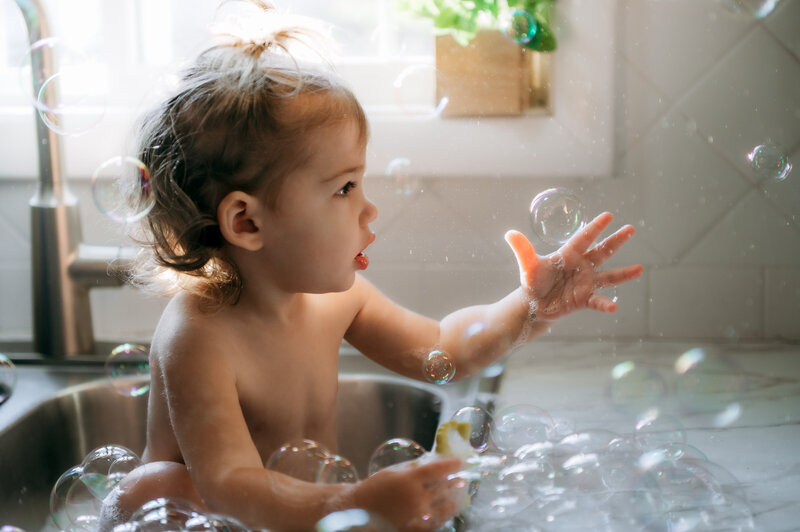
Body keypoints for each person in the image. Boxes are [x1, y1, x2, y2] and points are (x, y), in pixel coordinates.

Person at [99, 2, 643, 530]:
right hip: (216, 524)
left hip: (307, 517)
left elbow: (445, 349)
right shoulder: (199, 335)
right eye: (343, 187)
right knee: (154, 487)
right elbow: (230, 485)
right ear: (247, 222)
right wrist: (356, 500)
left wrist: (529, 305)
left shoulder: (340, 299)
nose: (369, 207)